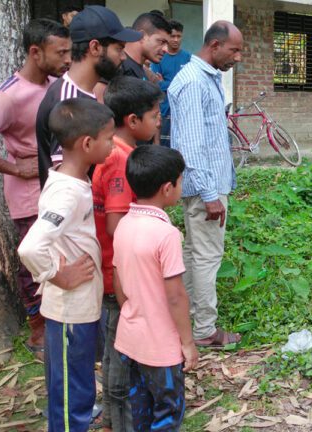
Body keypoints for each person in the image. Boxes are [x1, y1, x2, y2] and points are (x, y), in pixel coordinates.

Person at [18, 98, 115, 432]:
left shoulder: (68, 177)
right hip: (69, 311)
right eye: (108, 138)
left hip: (80, 308)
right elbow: (30, 246)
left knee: (77, 386)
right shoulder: (68, 193)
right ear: (87, 144)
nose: (112, 145)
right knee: (72, 394)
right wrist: (58, 275)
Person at [0, 19, 70, 359]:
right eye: (60, 52)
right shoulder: (8, 96)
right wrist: (15, 167)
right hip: (29, 195)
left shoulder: (56, 84)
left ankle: (60, 322)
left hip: (58, 186)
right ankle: (37, 331)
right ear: (35, 52)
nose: (67, 59)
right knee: (33, 261)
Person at [113, 145, 199, 431]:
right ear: (166, 188)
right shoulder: (166, 235)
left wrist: (133, 310)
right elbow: (175, 296)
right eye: (180, 180)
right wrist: (187, 342)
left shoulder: (124, 224)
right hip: (161, 347)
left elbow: (118, 281)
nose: (181, 185)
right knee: (168, 412)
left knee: (141, 410)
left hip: (131, 340)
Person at [95, 76, 163, 432]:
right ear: (133, 121)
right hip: (117, 276)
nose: (160, 121)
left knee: (112, 352)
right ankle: (120, 423)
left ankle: (110, 420)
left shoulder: (115, 152)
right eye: (155, 115)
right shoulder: (122, 161)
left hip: (111, 272)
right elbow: (116, 226)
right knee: (120, 357)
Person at [169, 21, 243, 347]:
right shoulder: (193, 82)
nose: (238, 57)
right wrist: (210, 194)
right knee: (206, 256)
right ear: (214, 45)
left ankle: (180, 319)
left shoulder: (206, 78)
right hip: (205, 189)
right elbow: (190, 146)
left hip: (208, 185)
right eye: (234, 50)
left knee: (194, 254)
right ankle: (204, 331)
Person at [36, 5, 141, 188]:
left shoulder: (83, 94)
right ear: (95, 47)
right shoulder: (67, 101)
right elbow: (66, 182)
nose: (123, 57)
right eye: (119, 49)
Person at [151, 19, 191, 147]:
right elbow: (156, 84)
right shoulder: (159, 57)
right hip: (164, 108)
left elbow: (190, 84)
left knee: (180, 145)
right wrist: (178, 84)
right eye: (172, 36)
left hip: (183, 109)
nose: (175, 40)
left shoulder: (188, 58)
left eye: (178, 36)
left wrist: (166, 83)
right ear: (167, 37)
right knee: (164, 145)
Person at [121, 12, 171, 80]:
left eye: (167, 44)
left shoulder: (145, 73)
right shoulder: (118, 69)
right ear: (142, 36)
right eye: (162, 42)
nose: (166, 50)